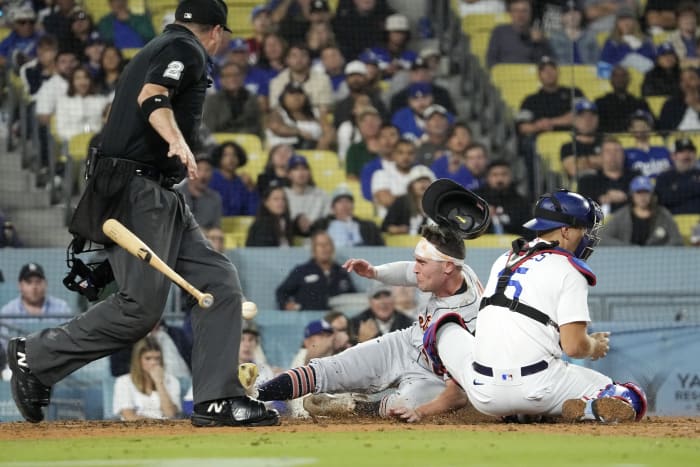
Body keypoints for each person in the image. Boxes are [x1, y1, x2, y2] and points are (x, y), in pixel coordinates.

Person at [6, 0, 279, 428]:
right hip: (137, 189)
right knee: (140, 309)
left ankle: (216, 398)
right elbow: (153, 96)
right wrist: (177, 140)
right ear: (217, 32)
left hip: (156, 191)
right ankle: (33, 355)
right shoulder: (184, 48)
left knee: (218, 282)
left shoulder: (160, 45)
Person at [257, 189, 487, 420]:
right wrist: (375, 272)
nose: (415, 268)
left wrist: (420, 411)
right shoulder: (458, 270)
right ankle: (255, 396)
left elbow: (456, 394)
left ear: (447, 267)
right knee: (330, 368)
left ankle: (353, 406)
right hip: (404, 344)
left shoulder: (469, 320)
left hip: (434, 376)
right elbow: (407, 271)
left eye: (422, 263)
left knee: (399, 407)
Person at [423, 189, 648, 423]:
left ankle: (473, 399)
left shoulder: (504, 259)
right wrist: (593, 346)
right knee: (631, 397)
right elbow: (574, 347)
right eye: (584, 229)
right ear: (566, 230)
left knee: (443, 328)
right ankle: (586, 410)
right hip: (539, 389)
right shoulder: (569, 269)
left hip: (484, 394)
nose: (587, 237)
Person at [275, 230, 357, 310]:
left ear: (332, 248)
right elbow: (281, 292)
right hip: (307, 320)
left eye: (327, 244)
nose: (324, 248)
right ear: (314, 249)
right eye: (320, 245)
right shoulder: (302, 271)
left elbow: (352, 297)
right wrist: (286, 305)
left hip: (335, 321)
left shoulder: (341, 272)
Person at [600, 176, 683, 246]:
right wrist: (626, 248)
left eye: (646, 192)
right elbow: (602, 238)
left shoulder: (663, 214)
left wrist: (660, 252)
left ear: (652, 195)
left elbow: (677, 240)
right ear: (632, 195)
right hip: (627, 259)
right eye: (639, 192)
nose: (642, 197)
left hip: (657, 260)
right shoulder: (622, 216)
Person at [113, 337, 181, 420]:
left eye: (157, 358)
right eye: (148, 358)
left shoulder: (172, 381)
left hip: (165, 431)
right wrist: (159, 423)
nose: (153, 363)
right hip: (134, 431)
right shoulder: (123, 382)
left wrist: (159, 383)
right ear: (138, 360)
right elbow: (129, 416)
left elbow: (170, 414)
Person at [516, 56, 584, 138]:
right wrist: (537, 127)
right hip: (541, 144)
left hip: (573, 140)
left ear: (558, 72)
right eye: (544, 70)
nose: (549, 73)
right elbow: (522, 127)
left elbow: (583, 116)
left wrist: (551, 122)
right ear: (539, 76)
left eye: (552, 69)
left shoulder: (574, 93)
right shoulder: (530, 100)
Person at [578, 137, 639, 215]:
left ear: (623, 155)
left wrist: (626, 197)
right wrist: (602, 199)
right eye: (608, 152)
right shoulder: (588, 181)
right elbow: (581, 207)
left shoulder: (635, 178)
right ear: (600, 157)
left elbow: (647, 199)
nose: (613, 155)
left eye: (617, 151)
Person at [266, 80, 334, 150]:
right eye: (291, 93)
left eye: (300, 93)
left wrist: (324, 142)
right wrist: (299, 132)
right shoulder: (277, 112)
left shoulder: (316, 112)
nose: (296, 97)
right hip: (283, 151)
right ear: (283, 97)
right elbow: (275, 126)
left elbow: (329, 131)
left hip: (314, 150)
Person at [486, 0, 553, 69]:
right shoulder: (499, 32)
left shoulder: (539, 36)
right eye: (516, 11)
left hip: (530, 77)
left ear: (531, 13)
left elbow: (546, 65)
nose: (520, 15)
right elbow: (491, 61)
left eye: (524, 11)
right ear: (510, 13)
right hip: (505, 76)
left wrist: (540, 43)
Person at [202, 61, 263, 137]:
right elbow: (209, 128)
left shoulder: (252, 99)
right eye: (227, 75)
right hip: (219, 142)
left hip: (247, 141)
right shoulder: (212, 100)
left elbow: (257, 127)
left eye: (236, 75)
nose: (232, 78)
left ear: (242, 77)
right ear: (221, 80)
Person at [310, 186, 385, 247]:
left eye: (348, 201)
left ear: (353, 206)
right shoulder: (321, 226)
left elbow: (380, 250)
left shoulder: (369, 227)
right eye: (340, 202)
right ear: (333, 207)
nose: (344, 205)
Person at [55, 66, 111, 141]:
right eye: (78, 78)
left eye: (86, 78)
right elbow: (61, 130)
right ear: (72, 81)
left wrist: (92, 135)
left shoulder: (101, 100)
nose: (82, 82)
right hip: (71, 142)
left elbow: (106, 125)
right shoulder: (63, 101)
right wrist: (82, 135)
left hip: (96, 141)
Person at [475, 161, 531, 237]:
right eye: (495, 175)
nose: (500, 179)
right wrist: (484, 216)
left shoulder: (521, 202)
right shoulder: (477, 198)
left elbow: (528, 232)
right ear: (487, 178)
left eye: (504, 174)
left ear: (511, 177)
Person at [348, 283, 414, 345]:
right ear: (370, 302)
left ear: (394, 299)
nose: (383, 302)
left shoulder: (409, 324)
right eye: (377, 297)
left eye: (387, 295)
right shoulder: (355, 324)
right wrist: (361, 341)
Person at [594, 65, 651, 134]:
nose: (620, 79)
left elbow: (651, 124)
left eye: (623, 76)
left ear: (629, 79)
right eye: (616, 76)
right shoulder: (600, 103)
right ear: (611, 80)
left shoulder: (640, 103)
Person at [209, 141, 259, 217]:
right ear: (219, 158)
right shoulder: (210, 178)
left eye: (234, 155)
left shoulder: (243, 182)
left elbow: (252, 211)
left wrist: (250, 188)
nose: (231, 159)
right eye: (226, 155)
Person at [284, 154, 330, 236]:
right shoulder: (283, 195)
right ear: (289, 174)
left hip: (316, 237)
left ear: (309, 173)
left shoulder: (321, 194)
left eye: (304, 169)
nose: (301, 173)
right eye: (296, 169)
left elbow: (328, 218)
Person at [599, 7, 655, 74]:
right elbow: (604, 66)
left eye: (629, 19)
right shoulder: (611, 42)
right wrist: (625, 48)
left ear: (635, 22)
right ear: (617, 23)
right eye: (622, 20)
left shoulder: (645, 41)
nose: (626, 23)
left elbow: (652, 62)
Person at [382, 165, 435, 234]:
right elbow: (385, 226)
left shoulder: (437, 204)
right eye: (418, 180)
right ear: (411, 185)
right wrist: (397, 229)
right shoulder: (401, 202)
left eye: (426, 180)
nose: (422, 184)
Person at [175, 153, 223, 229]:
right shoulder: (175, 195)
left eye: (207, 170)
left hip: (205, 239)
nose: (203, 175)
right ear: (188, 172)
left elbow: (216, 228)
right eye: (198, 169)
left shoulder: (215, 198)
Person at [560, 99, 603, 181]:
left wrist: (584, 162)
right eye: (582, 116)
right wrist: (600, 161)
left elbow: (615, 166)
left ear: (597, 119)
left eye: (592, 115)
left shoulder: (606, 143)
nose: (588, 120)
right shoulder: (568, 147)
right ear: (575, 120)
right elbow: (574, 169)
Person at [655, 137, 700, 214]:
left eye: (690, 151)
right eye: (682, 152)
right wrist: (694, 185)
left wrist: (677, 188)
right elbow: (664, 199)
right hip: (673, 221)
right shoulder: (664, 177)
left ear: (695, 155)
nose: (687, 155)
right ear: (673, 156)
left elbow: (673, 196)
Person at [623, 110, 672, 179]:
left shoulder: (664, 151)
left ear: (650, 128)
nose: (641, 127)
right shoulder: (625, 154)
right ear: (630, 130)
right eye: (637, 125)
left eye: (644, 124)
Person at [428, 122, 476, 188]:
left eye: (463, 134)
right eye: (454, 135)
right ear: (448, 141)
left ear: (470, 139)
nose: (459, 138)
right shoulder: (439, 162)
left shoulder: (477, 160)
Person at [0, 5, 40, 72]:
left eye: (31, 22)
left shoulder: (40, 39)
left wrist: (28, 61)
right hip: (11, 76)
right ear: (15, 24)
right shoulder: (10, 38)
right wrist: (12, 63)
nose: (27, 26)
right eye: (22, 22)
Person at [668, 2, 700, 68]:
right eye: (685, 17)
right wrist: (694, 62)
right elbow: (671, 62)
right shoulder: (670, 39)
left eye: (692, 16)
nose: (689, 20)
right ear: (678, 20)